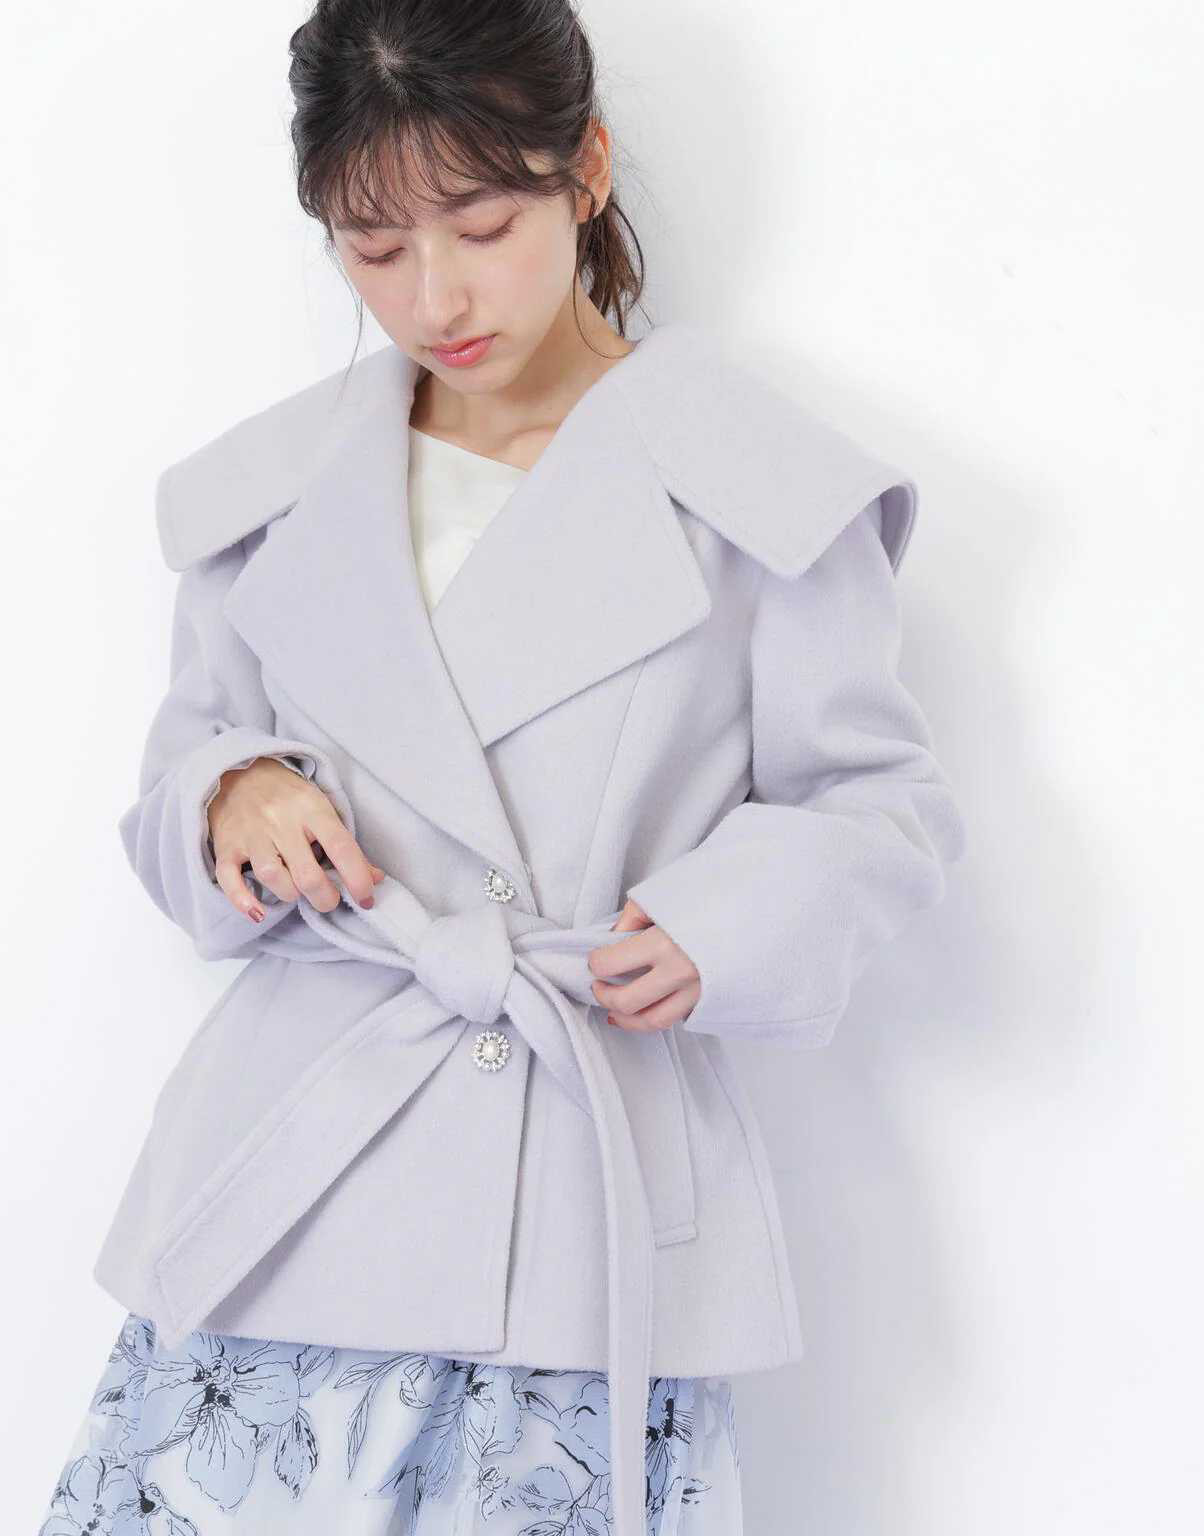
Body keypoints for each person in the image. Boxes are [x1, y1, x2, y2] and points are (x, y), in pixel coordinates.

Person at [39, 2, 967, 1533]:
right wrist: (232, 794)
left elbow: (880, 805)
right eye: (373, 247)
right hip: (289, 1195)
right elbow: (175, 774)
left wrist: (726, 922)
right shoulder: (271, 493)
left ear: (584, 171)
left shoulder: (758, 489)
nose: (435, 296)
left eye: (481, 226)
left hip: (578, 1202)